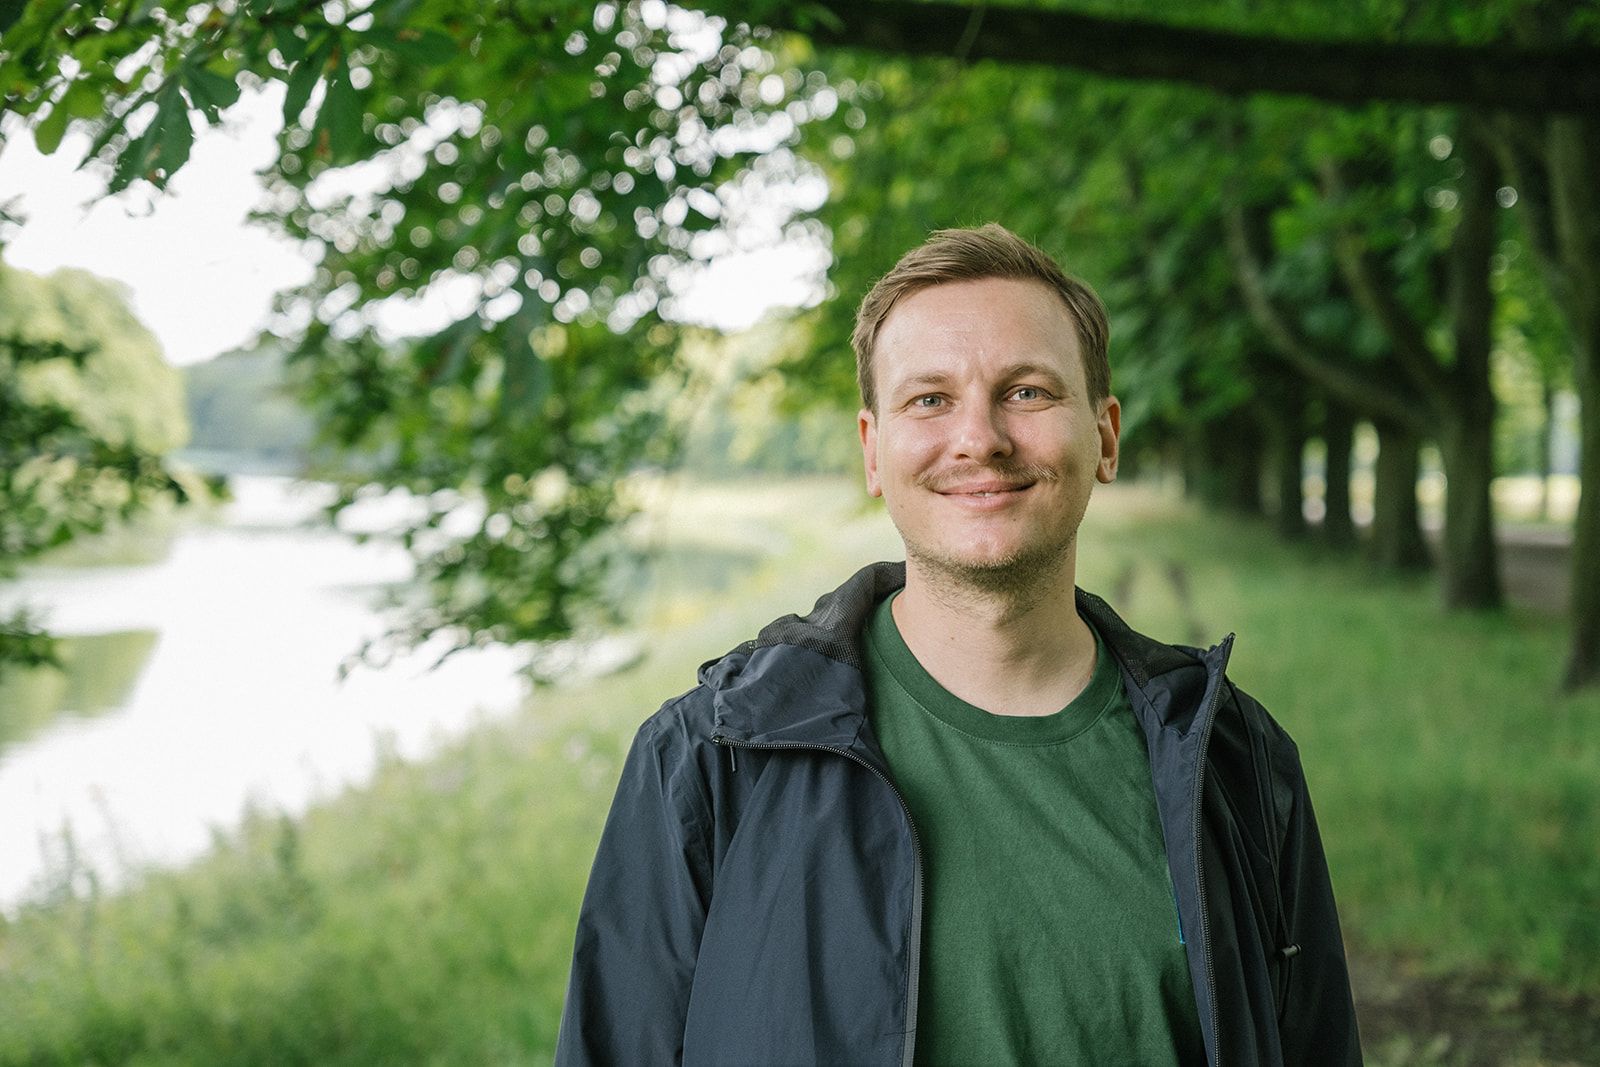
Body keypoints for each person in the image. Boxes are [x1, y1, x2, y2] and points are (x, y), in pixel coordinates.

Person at [554, 224, 1361, 1066]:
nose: (979, 438)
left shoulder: (1236, 758)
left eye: (1026, 392)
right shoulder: (710, 758)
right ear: (873, 450)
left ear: (1106, 436)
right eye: (930, 399)